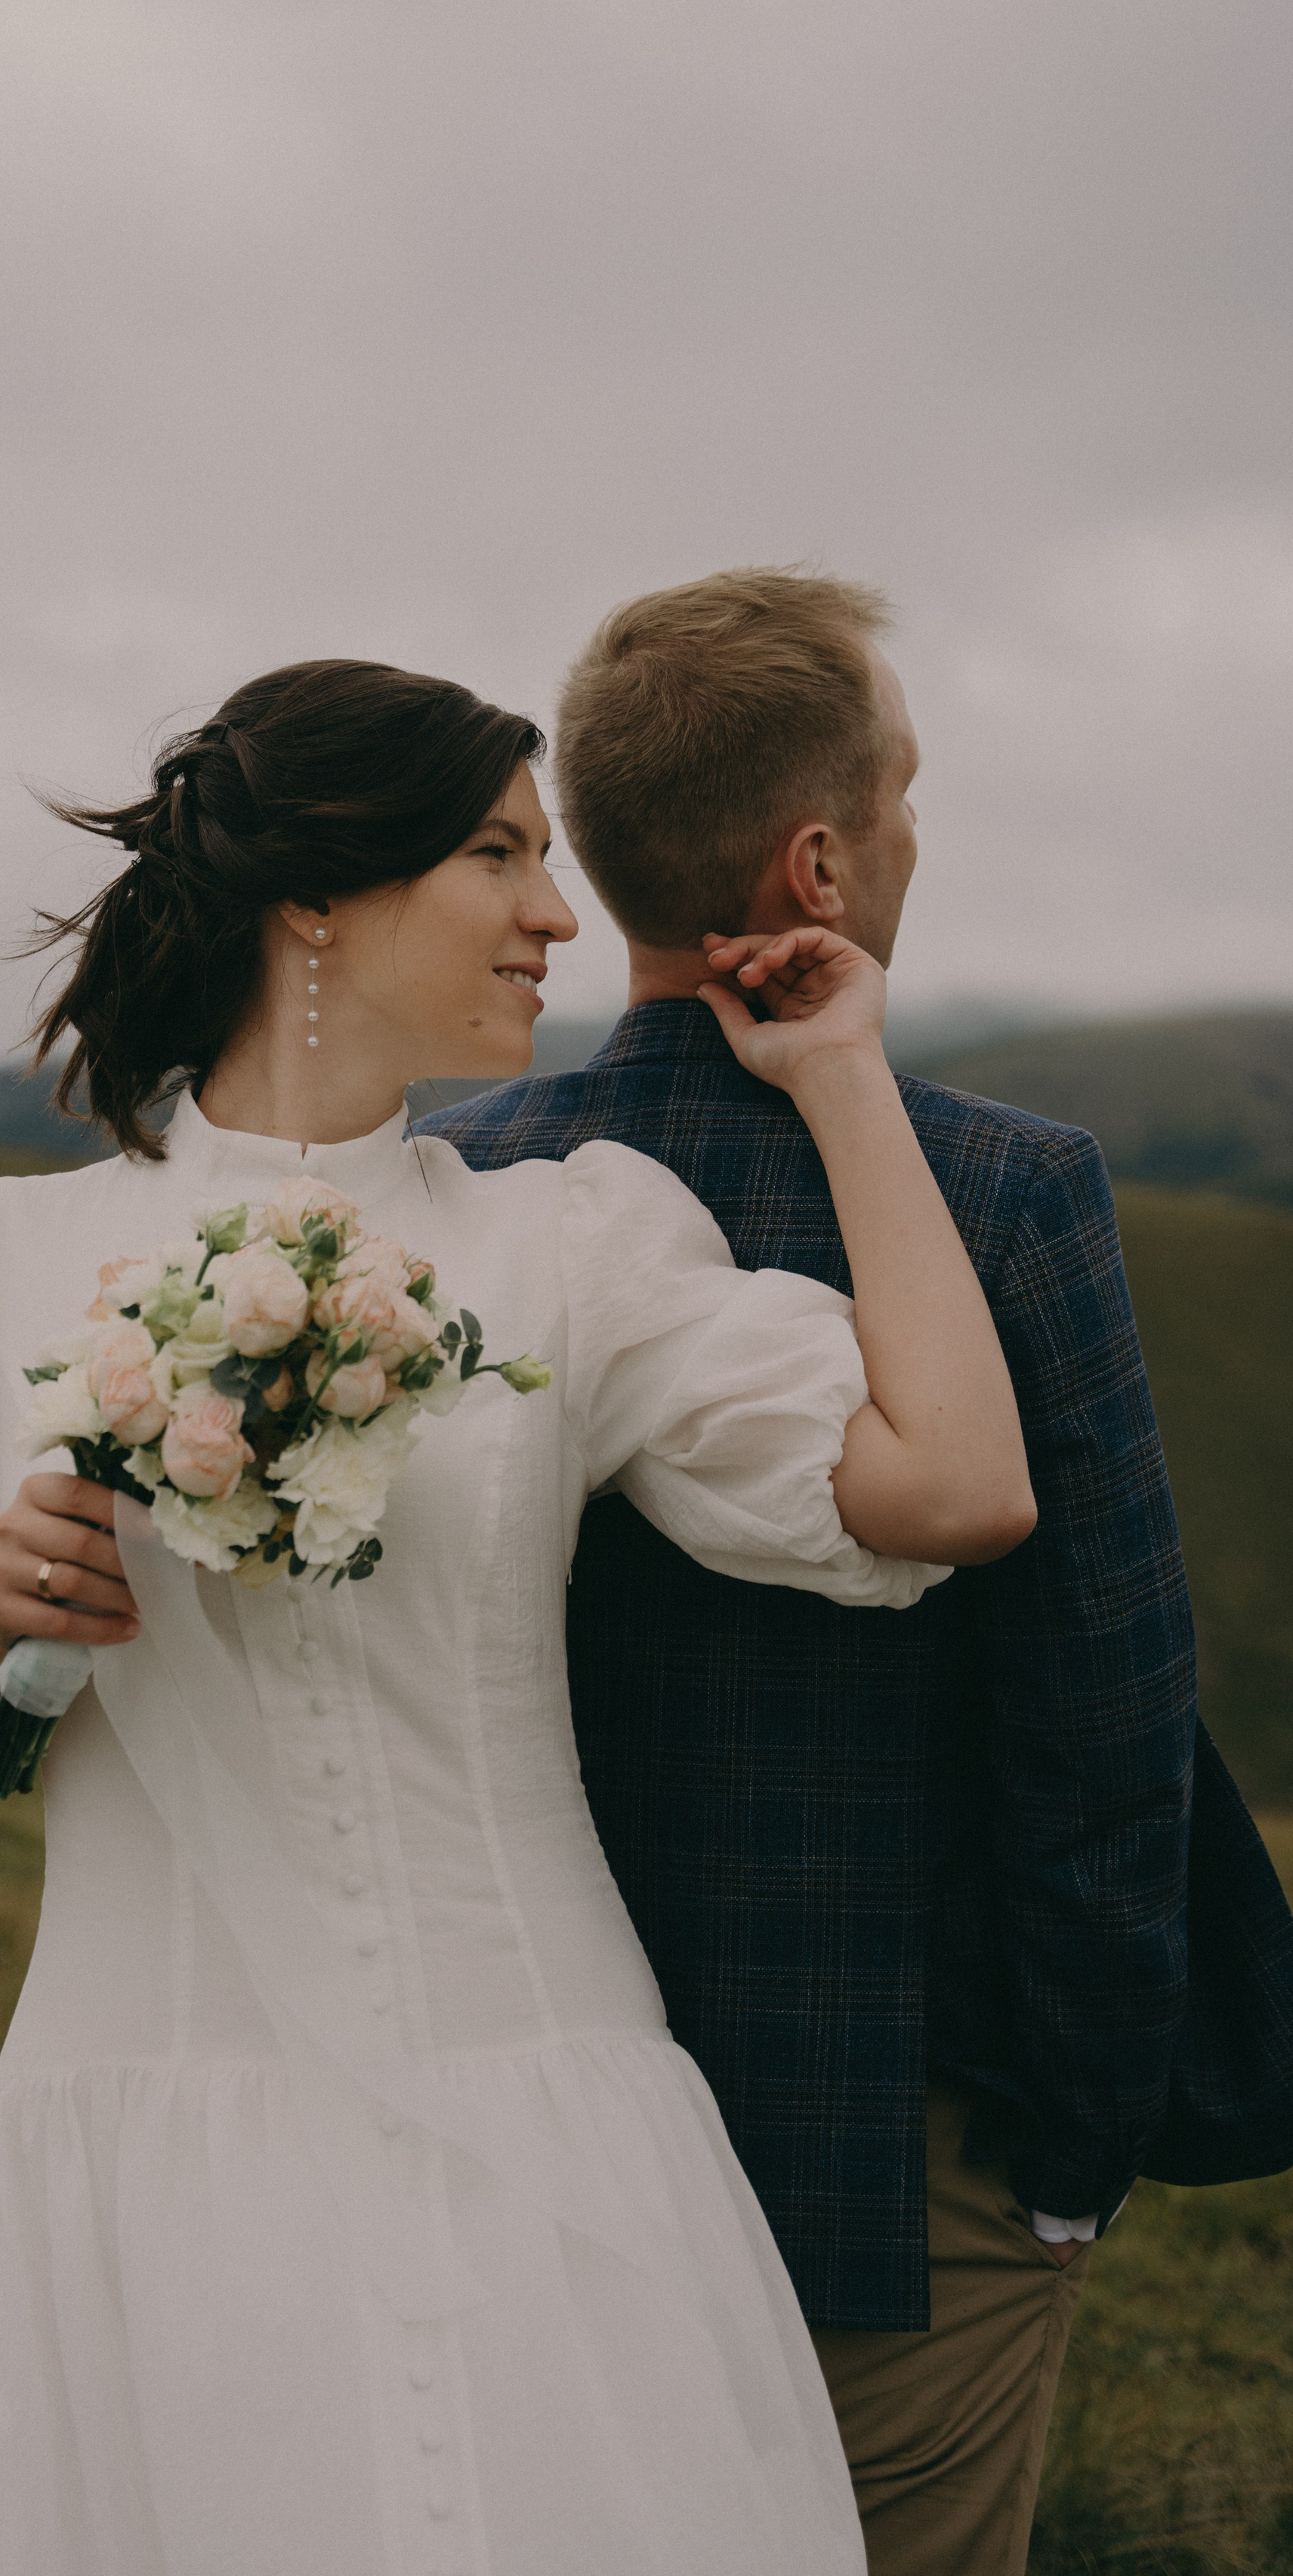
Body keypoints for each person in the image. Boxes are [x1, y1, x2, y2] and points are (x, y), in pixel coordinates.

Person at [0, 657, 1039, 2575]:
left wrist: (843, 1078)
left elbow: (956, 1487)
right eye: (497, 854)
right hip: (147, 2149)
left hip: (549, 2125)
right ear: (316, 897)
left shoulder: (566, 1241)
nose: (555, 914)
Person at [421, 572, 1293, 2576]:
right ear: (817, 854)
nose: (916, 828)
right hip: (911, 2173)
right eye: (903, 790)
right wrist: (1077, 2147)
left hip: (523, 2143)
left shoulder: (463, 1196)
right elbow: (1109, 1705)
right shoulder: (1005, 1188)